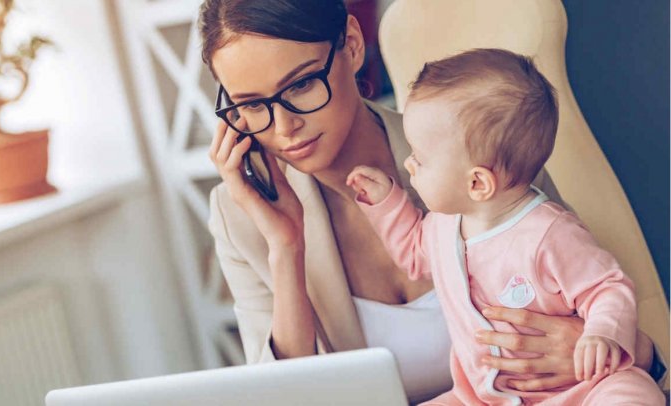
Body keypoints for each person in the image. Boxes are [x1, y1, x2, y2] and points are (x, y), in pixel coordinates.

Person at [200, 0, 664, 403]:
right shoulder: (240, 216)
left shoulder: (480, 148)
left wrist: (602, 345)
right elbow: (285, 401)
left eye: (301, 85)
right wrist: (286, 249)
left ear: (353, 46)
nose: (283, 128)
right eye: (252, 105)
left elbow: (619, 324)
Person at [347, 49, 665, 405]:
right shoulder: (442, 227)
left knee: (632, 394)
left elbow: (607, 286)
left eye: (419, 158)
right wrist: (387, 203)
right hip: (483, 397)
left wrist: (601, 333)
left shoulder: (549, 233)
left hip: (577, 390)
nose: (409, 164)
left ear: (478, 184)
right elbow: (413, 256)